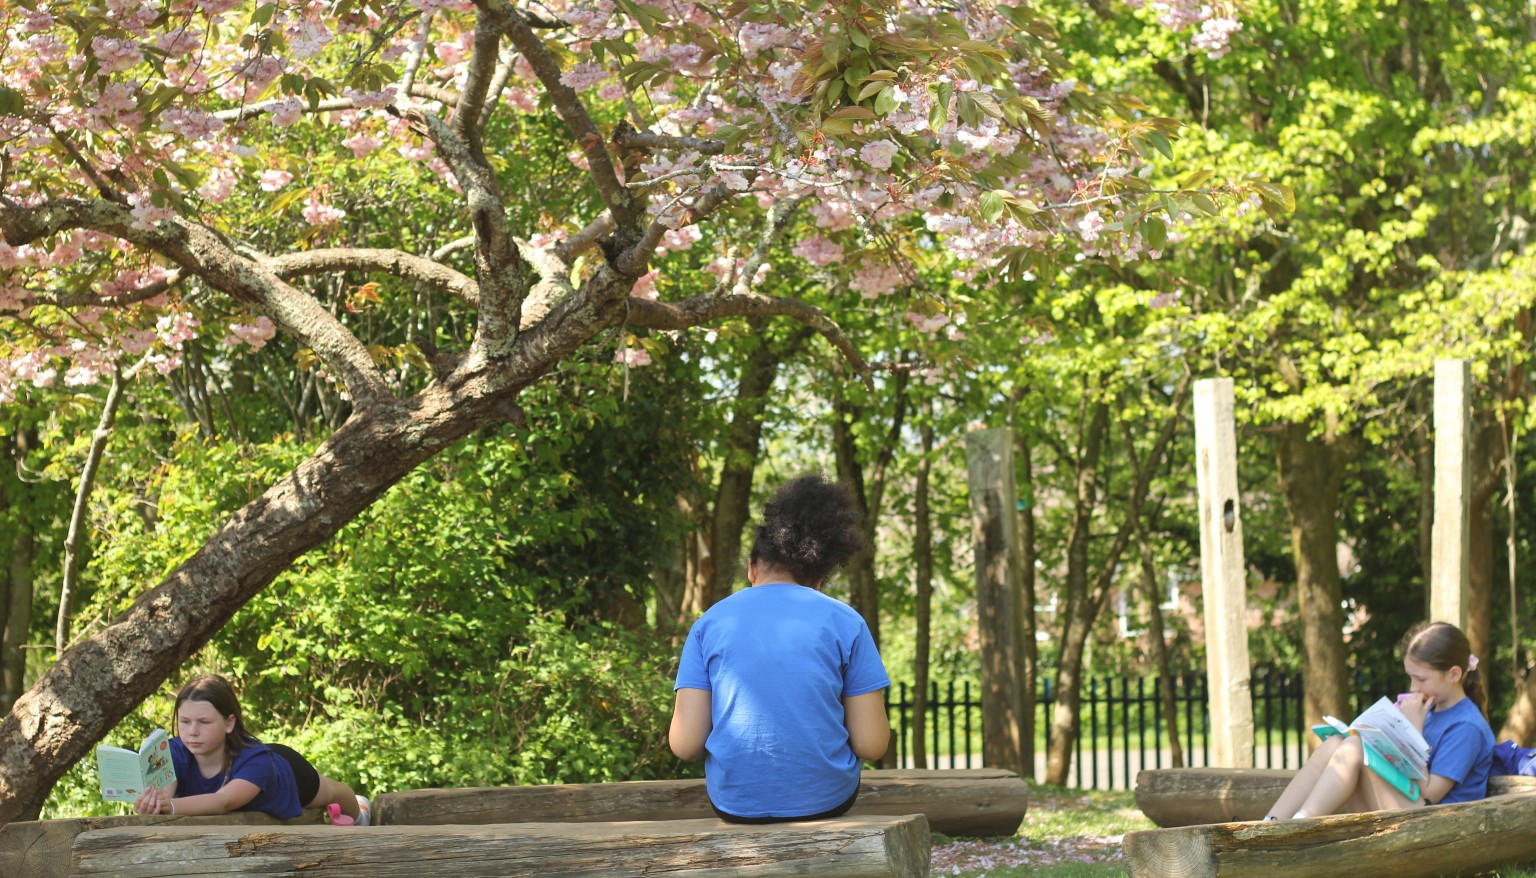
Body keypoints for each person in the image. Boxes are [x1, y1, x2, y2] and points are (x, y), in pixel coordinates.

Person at [669, 474, 891, 823]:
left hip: (734, 805)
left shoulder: (709, 624)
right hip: (827, 800)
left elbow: (685, 745)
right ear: (820, 575)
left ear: (751, 568)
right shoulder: (847, 622)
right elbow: (872, 745)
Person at [1264, 621, 1494, 820]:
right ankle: (1271, 823)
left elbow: (1430, 794)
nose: (1413, 687)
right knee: (1336, 742)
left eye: (1421, 679)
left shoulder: (1466, 726)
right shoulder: (1429, 712)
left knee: (1355, 747)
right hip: (1407, 808)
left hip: (1434, 824)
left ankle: (1299, 827)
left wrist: (1412, 733)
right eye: (1410, 677)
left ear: (1454, 674)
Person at [133, 674, 371, 825]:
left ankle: (361, 811)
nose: (192, 731)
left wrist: (170, 806)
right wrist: (154, 802)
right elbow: (165, 791)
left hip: (284, 770)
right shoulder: (173, 751)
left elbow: (223, 802)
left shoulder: (258, 761)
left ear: (229, 723)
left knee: (333, 792)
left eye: (204, 722)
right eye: (185, 722)